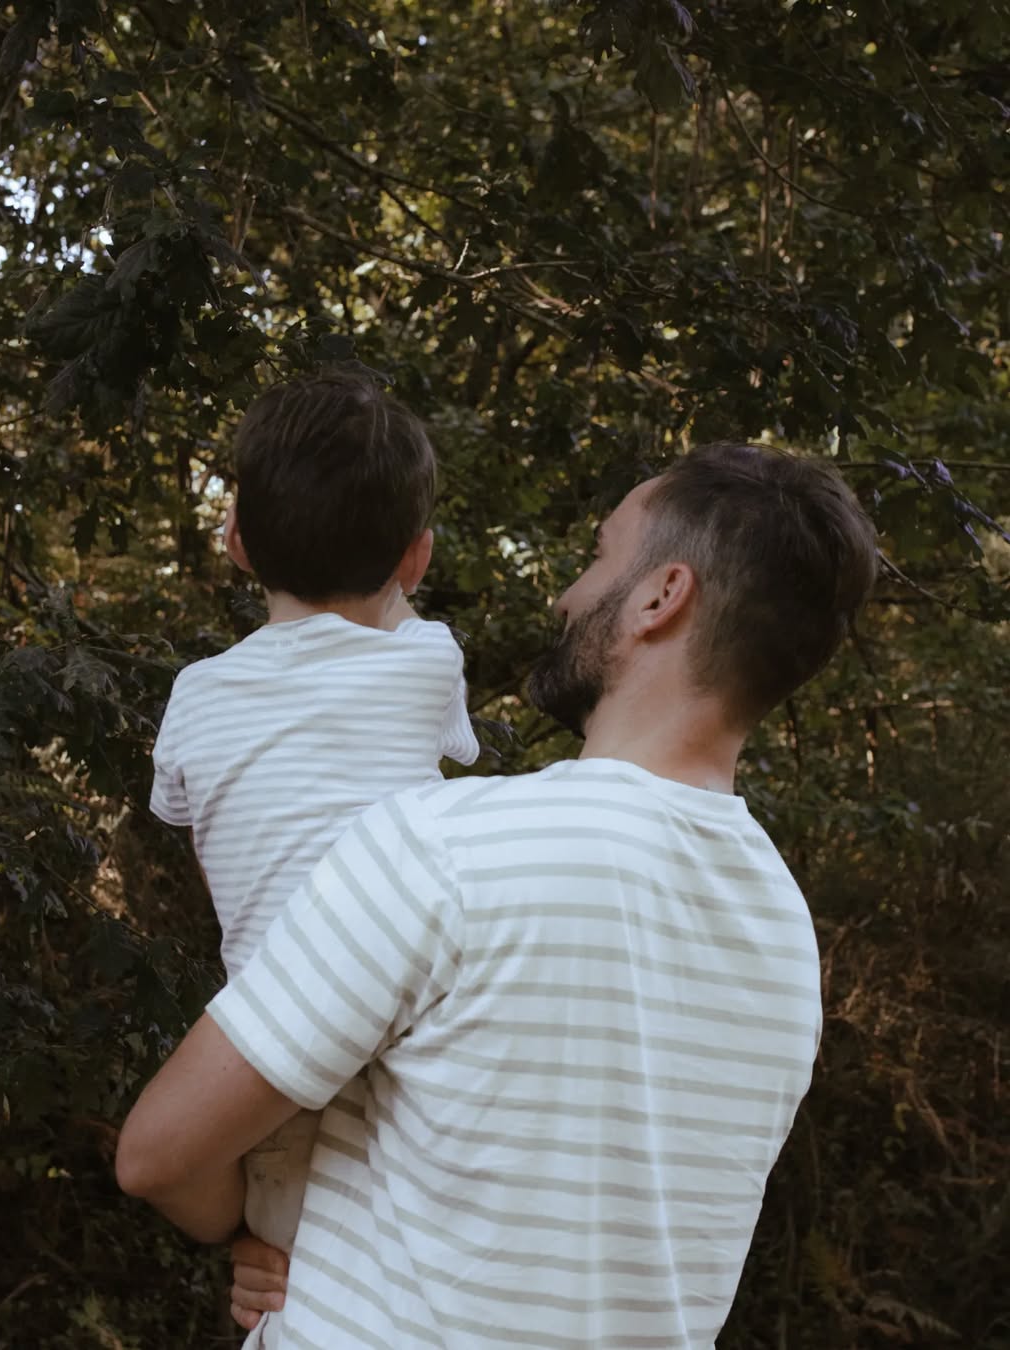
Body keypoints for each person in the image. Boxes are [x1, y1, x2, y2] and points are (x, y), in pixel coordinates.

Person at [117, 441, 879, 1350]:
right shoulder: (786, 935)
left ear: (658, 597)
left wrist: (254, 1230)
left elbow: (158, 1155)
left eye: (601, 555)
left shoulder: (444, 848)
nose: (568, 595)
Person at [147, 371, 478, 1265]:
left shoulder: (196, 696)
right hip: (414, 1039)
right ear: (415, 558)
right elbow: (405, 635)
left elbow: (183, 811)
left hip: (269, 1049)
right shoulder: (428, 663)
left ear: (236, 541)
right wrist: (394, 576)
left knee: (293, 1261)